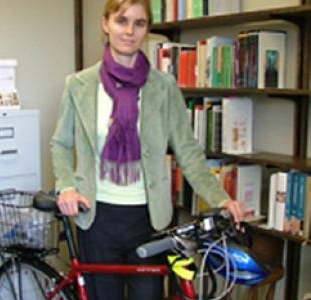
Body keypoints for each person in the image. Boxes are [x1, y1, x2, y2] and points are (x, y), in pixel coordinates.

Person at [51, 0, 244, 299]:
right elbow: (61, 144)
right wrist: (65, 186)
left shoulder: (164, 87)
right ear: (106, 24)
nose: (129, 31)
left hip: (149, 219)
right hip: (96, 217)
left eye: (139, 23)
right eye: (121, 21)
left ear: (147, 30)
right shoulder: (79, 85)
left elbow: (188, 151)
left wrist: (221, 198)